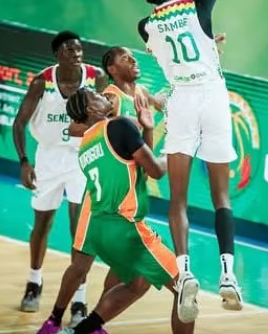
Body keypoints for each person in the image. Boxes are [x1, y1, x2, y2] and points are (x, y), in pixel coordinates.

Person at [136, 0, 253, 314]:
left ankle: (184, 271)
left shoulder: (145, 26)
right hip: (213, 97)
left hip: (182, 101)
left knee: (178, 198)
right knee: (221, 197)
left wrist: (205, 43)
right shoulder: (199, 4)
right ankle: (228, 275)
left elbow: (173, 46)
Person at [36, 87, 196, 334]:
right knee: (185, 289)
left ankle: (84, 329)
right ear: (92, 108)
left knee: (138, 283)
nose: (104, 96)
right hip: (125, 228)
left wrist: (148, 129)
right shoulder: (119, 126)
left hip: (100, 231)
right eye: (97, 95)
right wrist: (175, 152)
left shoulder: (86, 145)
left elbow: (141, 171)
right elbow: (155, 170)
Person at [12, 31, 107, 321]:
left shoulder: (96, 77)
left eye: (79, 49)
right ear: (57, 54)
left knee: (79, 229)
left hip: (83, 156)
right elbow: (19, 123)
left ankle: (79, 299)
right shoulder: (42, 82)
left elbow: (106, 116)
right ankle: (34, 281)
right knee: (43, 222)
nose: (76, 53)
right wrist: (24, 161)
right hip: (49, 157)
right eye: (69, 49)